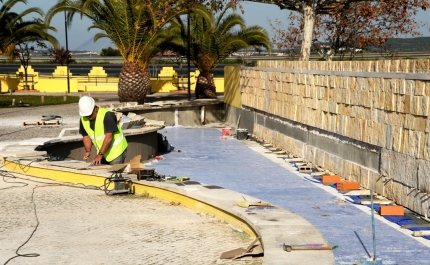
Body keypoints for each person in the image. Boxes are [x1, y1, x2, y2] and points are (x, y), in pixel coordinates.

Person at [78, 96, 128, 165]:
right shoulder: (83, 119)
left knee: (114, 174)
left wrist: (100, 154)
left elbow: (109, 137)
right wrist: (88, 151)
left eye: (89, 114)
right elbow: (86, 137)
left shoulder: (108, 115)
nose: (88, 117)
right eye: (86, 115)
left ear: (95, 108)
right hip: (103, 152)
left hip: (116, 151)